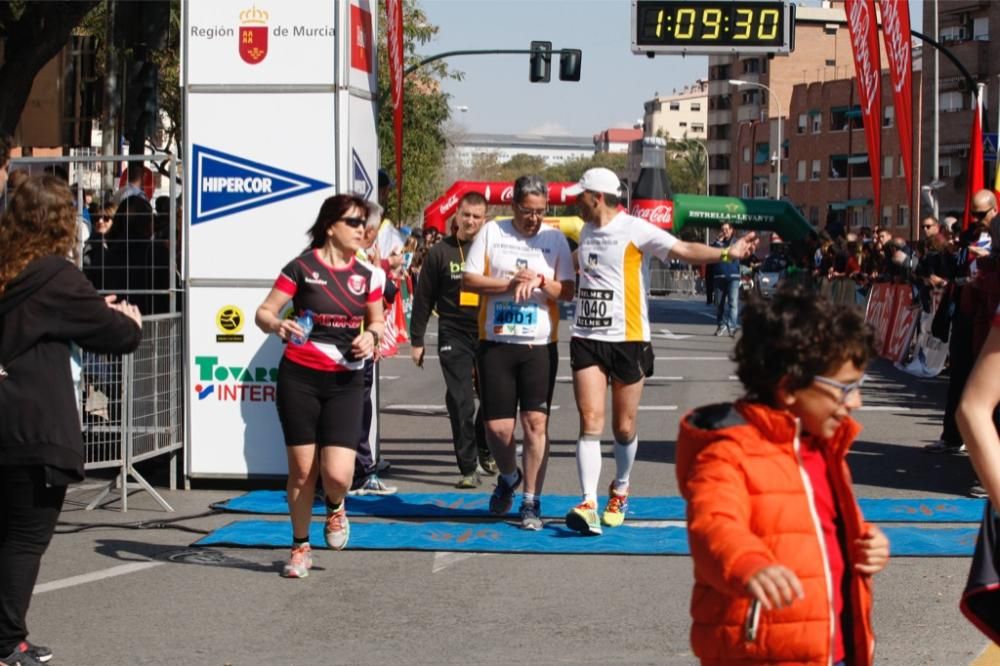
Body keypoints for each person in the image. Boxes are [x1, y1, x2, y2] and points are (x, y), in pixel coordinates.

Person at [675, 286, 889, 665]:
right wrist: (746, 562)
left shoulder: (824, 448)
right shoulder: (729, 451)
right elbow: (714, 524)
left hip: (832, 646)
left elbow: (818, 528)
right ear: (790, 388)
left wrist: (864, 542)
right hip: (764, 651)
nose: (856, 402)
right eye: (845, 389)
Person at [563, 167, 757, 536]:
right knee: (590, 419)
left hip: (629, 338)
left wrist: (727, 253)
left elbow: (683, 249)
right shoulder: (585, 229)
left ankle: (620, 488)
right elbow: (577, 263)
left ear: (597, 197)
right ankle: (587, 502)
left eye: (581, 195)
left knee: (624, 426)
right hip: (587, 336)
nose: (577, 201)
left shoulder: (634, 228)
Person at [0, 175, 143, 666]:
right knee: (23, 538)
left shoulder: (9, 270)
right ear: (65, 225)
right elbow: (115, 335)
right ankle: (7, 641)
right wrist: (130, 320)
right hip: (32, 425)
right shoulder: (57, 276)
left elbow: (45, 319)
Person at [255, 194, 386, 578]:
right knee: (300, 471)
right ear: (331, 226)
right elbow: (264, 311)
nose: (363, 230)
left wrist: (373, 337)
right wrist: (278, 324)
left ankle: (335, 506)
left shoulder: (369, 276)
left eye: (365, 224)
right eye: (355, 222)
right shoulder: (301, 268)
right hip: (300, 377)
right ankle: (299, 547)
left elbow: (377, 322)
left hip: (346, 379)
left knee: (338, 475)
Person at [462, 174, 575, 530]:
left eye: (541, 211)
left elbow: (568, 290)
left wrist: (541, 281)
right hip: (496, 343)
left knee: (536, 423)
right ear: (513, 206)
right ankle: (509, 476)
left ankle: (531, 502)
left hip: (539, 345)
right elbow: (468, 280)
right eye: (528, 211)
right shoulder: (493, 232)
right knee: (497, 429)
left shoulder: (554, 239)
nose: (535, 219)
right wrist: (508, 284)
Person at [410, 192, 496, 487]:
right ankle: (468, 468)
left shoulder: (491, 250)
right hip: (453, 332)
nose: (470, 221)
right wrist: (416, 340)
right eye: (465, 214)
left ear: (484, 220)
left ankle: (484, 446)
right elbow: (423, 298)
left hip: (488, 331)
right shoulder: (439, 253)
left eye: (476, 216)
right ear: (456, 215)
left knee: (495, 399)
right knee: (461, 402)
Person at [711, 223, 741, 336]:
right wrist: (718, 242)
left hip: (733, 277)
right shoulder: (716, 243)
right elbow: (713, 253)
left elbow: (732, 253)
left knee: (733, 303)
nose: (725, 231)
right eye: (723, 229)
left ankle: (732, 327)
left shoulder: (736, 242)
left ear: (732, 230)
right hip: (719, 276)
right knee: (719, 304)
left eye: (727, 229)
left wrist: (722, 247)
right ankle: (721, 325)